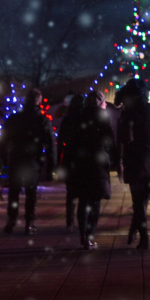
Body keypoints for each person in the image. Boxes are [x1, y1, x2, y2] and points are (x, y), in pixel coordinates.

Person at [117, 78, 150, 250]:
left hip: (135, 161)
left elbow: (125, 138)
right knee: (143, 201)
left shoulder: (128, 114)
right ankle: (135, 230)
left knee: (139, 202)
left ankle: (143, 238)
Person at [0, 88, 55, 235]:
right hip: (32, 161)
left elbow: (3, 141)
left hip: (16, 159)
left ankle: (11, 221)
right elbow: (50, 143)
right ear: (39, 101)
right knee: (31, 193)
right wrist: (51, 165)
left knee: (14, 192)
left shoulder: (14, 119)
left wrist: (5, 159)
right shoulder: (42, 120)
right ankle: (29, 223)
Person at [66, 91, 116, 250]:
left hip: (80, 162)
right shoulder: (103, 117)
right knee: (95, 201)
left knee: (83, 200)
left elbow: (71, 140)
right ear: (100, 102)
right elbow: (110, 140)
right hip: (97, 162)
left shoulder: (79, 116)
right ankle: (90, 235)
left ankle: (82, 235)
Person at [57, 93, 85, 233]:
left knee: (71, 191)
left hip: (70, 156)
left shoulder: (67, 119)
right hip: (83, 158)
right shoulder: (85, 118)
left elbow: (61, 140)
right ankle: (82, 220)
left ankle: (70, 221)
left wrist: (58, 161)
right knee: (84, 191)